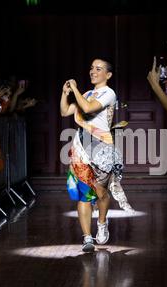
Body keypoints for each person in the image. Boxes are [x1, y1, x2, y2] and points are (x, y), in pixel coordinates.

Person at [60, 58, 134, 253]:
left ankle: (102, 222)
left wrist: (75, 89)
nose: (93, 71)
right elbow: (65, 111)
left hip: (101, 148)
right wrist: (65, 93)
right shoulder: (87, 93)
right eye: (92, 67)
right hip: (82, 148)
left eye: (98, 69)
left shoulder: (109, 93)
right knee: (85, 194)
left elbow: (87, 108)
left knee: (101, 193)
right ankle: (87, 238)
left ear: (107, 75)